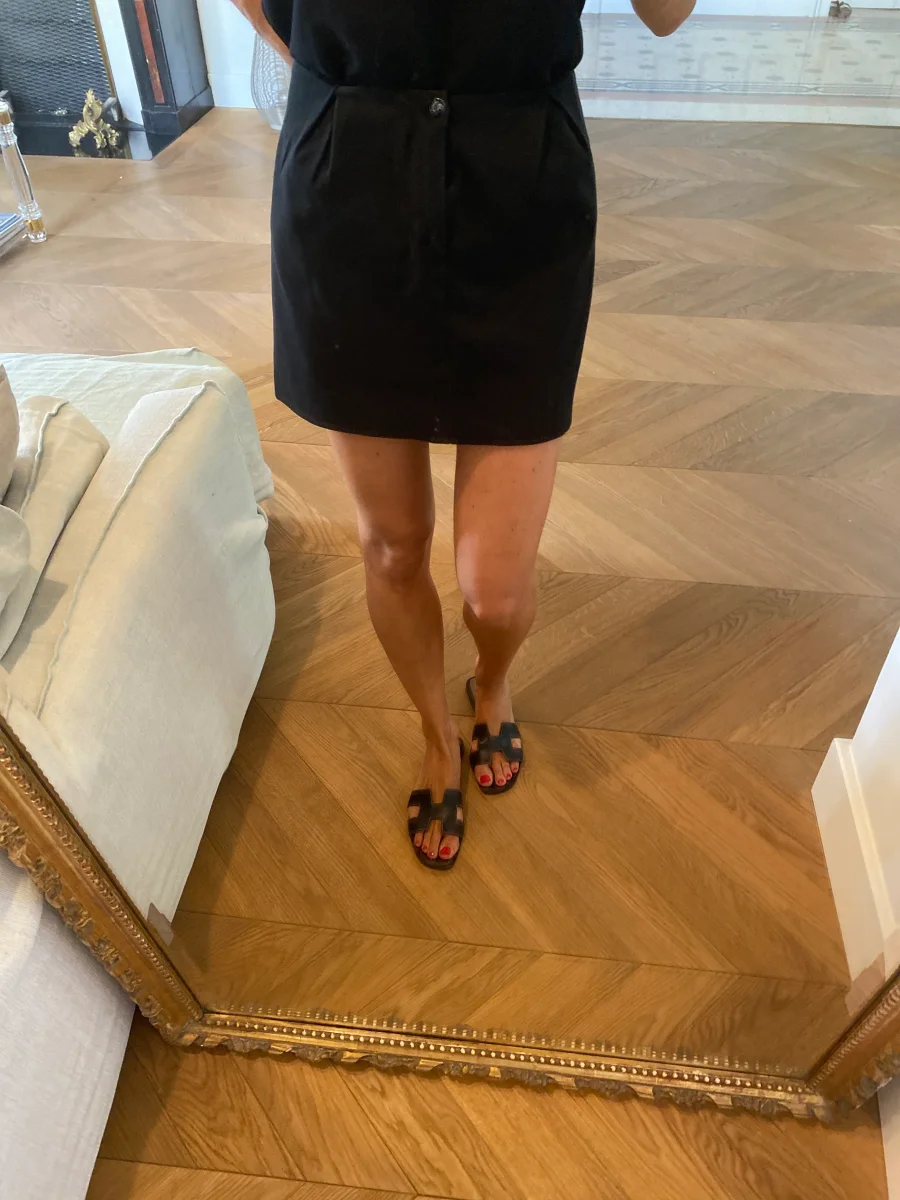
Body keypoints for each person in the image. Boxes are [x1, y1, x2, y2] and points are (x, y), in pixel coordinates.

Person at [229, 0, 695, 870]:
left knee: (497, 592)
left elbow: (668, 16)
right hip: (350, 197)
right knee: (393, 544)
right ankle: (435, 735)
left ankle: (493, 678)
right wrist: (351, 65)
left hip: (522, 199)